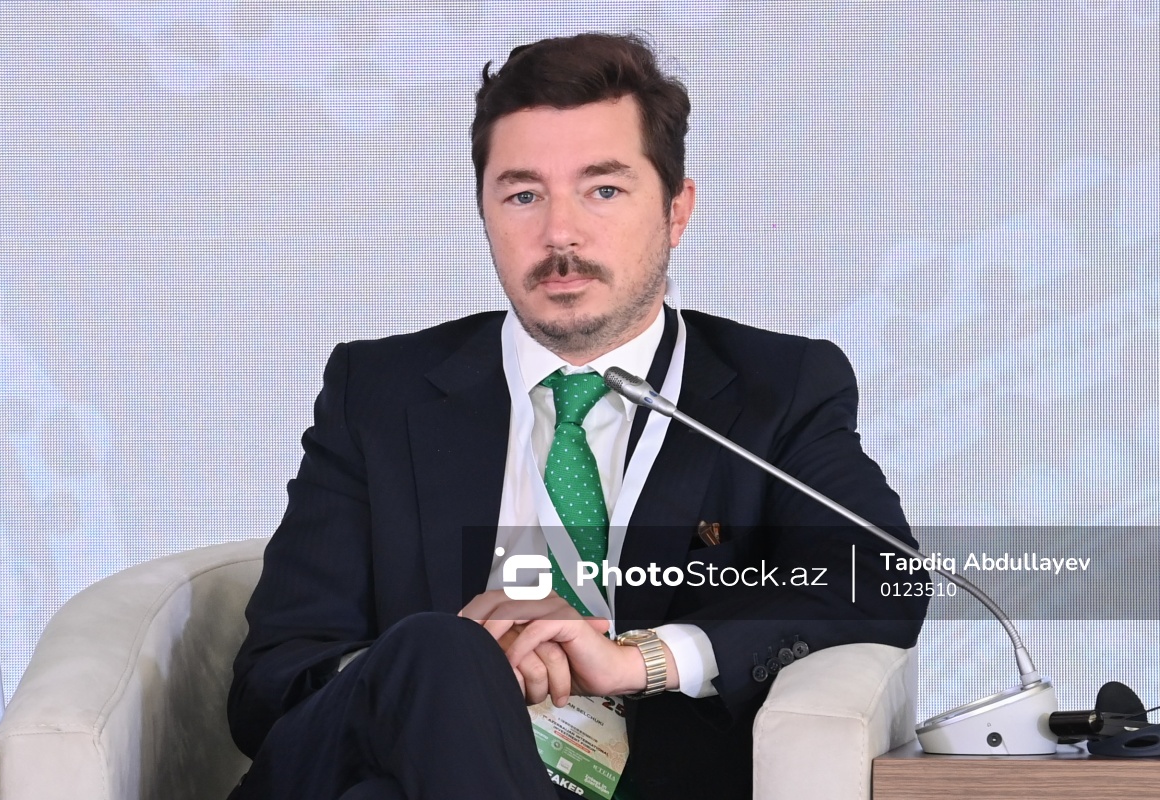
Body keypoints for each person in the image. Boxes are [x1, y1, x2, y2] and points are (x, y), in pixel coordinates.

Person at [227, 32, 928, 800]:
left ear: (677, 210)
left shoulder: (777, 389)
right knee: (442, 650)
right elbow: (274, 681)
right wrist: (456, 684)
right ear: (485, 212)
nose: (559, 234)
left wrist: (638, 660)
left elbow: (881, 573)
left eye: (604, 190)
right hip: (382, 757)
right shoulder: (380, 391)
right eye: (523, 195)